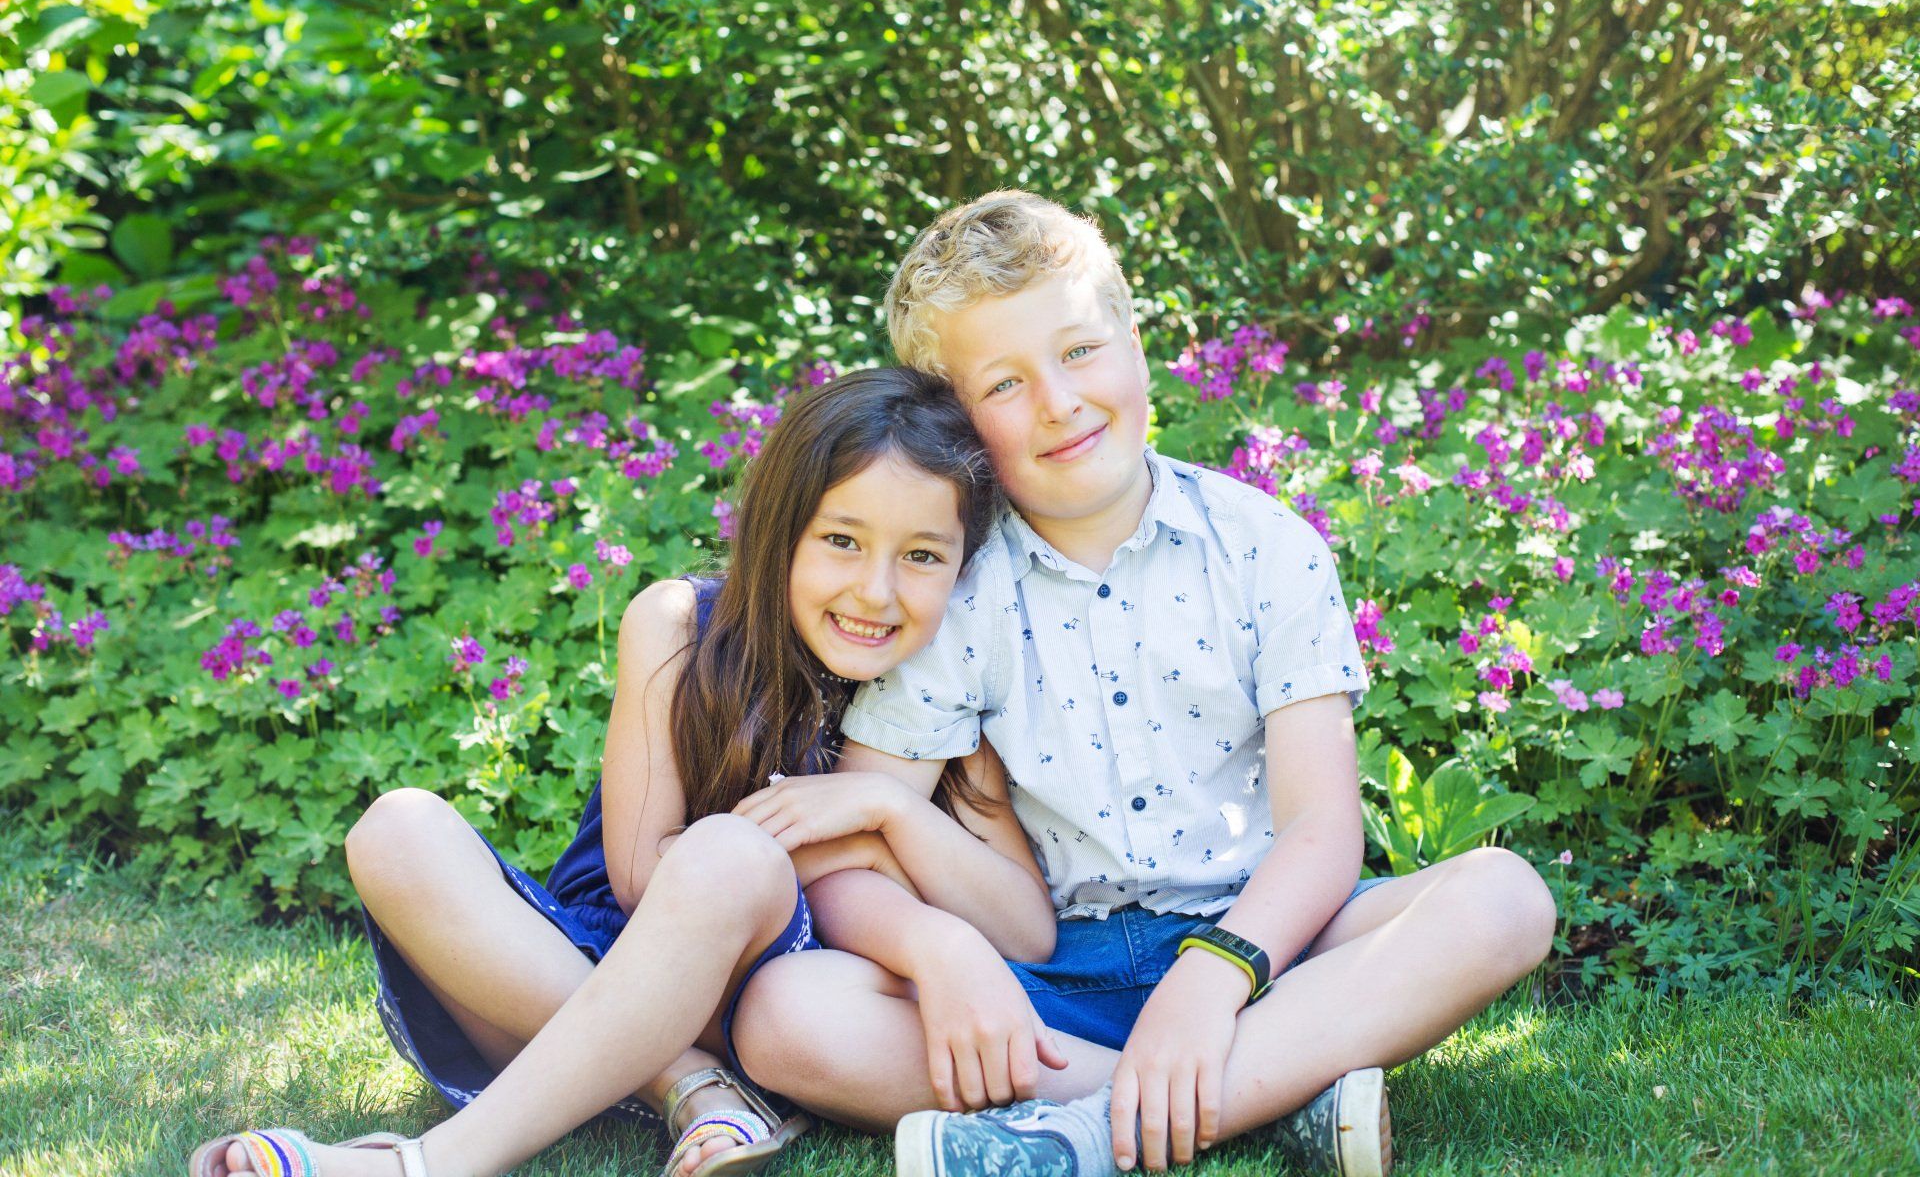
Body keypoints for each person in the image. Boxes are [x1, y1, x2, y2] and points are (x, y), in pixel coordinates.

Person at [729, 192, 1559, 1177]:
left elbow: (1322, 830)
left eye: (1080, 350)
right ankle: (1273, 1093)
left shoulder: (1264, 548)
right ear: (958, 423)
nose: (1058, 401)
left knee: (1503, 898)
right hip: (1057, 976)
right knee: (786, 1015)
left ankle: (1086, 1127)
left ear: (1133, 341)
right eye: (1005, 383)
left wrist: (1217, 974)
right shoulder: (954, 592)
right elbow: (849, 857)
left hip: (1273, 941)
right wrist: (936, 951)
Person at [188, 366, 1060, 1177]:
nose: (875, 592)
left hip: (775, 1008)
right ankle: (687, 1087)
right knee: (397, 829)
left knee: (732, 858)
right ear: (779, 529)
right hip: (568, 980)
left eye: (922, 556)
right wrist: (844, 848)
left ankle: (424, 1164)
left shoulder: (939, 696)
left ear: (966, 568)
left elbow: (1026, 929)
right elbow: (644, 874)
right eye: (841, 540)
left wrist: (887, 812)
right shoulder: (682, 625)